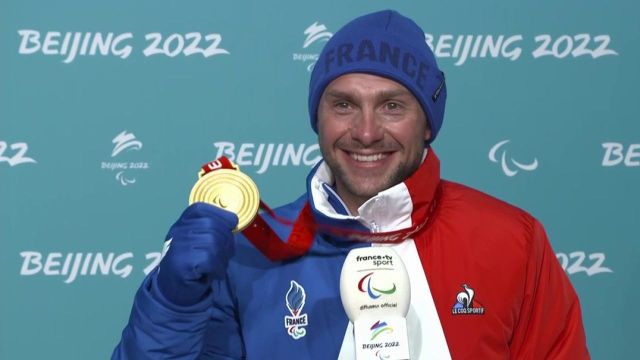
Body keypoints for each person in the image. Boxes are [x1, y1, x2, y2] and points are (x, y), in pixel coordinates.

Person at [113, 10, 589, 359]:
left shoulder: (511, 240)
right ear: (317, 118)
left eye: (392, 106)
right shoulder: (253, 252)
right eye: (343, 105)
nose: (365, 132)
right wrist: (173, 304)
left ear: (428, 122)